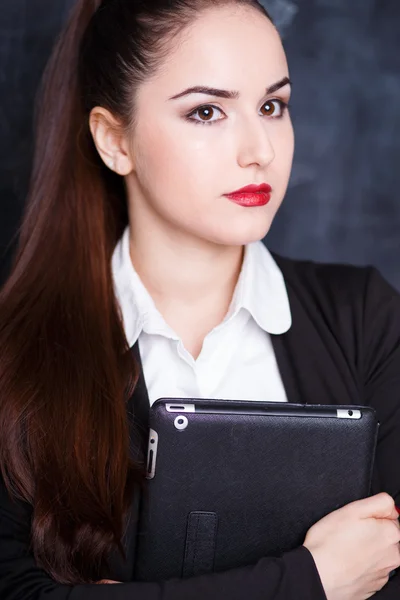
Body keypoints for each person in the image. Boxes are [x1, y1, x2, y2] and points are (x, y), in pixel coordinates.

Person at [0, 0, 399, 598]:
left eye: (272, 106)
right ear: (115, 141)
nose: (258, 149)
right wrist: (314, 579)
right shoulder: (17, 348)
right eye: (207, 111)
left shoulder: (364, 317)